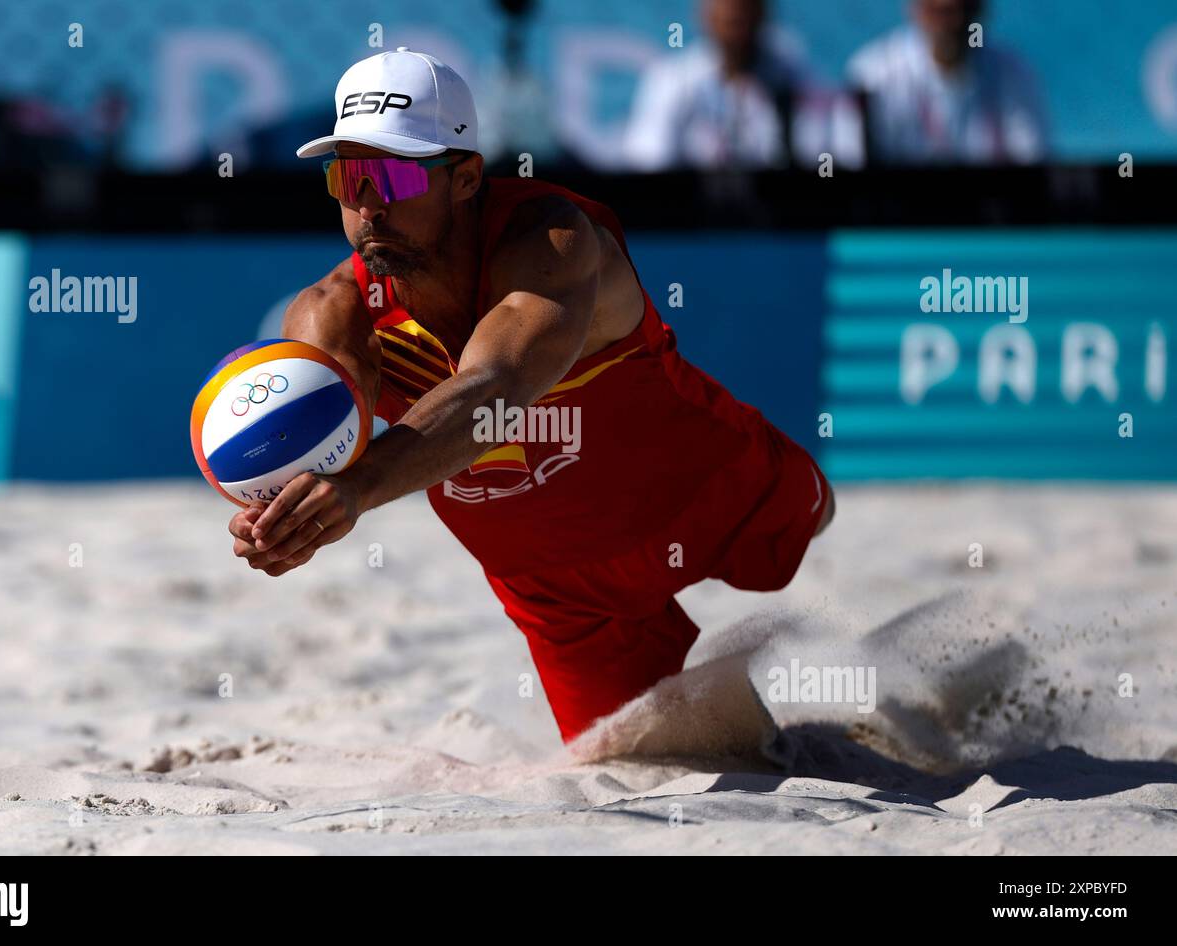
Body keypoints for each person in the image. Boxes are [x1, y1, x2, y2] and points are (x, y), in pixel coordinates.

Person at [228, 48, 834, 743]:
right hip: (556, 591)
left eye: (391, 173)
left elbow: (495, 390)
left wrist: (356, 489)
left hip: (698, 485)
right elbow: (317, 441)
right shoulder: (332, 312)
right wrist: (277, 512)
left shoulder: (553, 242)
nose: (367, 203)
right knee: (660, 763)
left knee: (816, 519)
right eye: (346, 176)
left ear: (464, 178)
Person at [846, 0, 1049, 164]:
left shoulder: (1014, 74)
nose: (953, 24)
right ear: (914, 8)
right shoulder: (872, 76)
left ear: (980, 10)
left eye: (961, 9)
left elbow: (1034, 173)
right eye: (940, 13)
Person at [623, 0, 813, 170]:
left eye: (744, 12)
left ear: (762, 13)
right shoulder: (672, 80)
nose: (737, 20)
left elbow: (819, 159)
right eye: (730, 18)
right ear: (706, 15)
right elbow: (647, 164)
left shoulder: (793, 77)